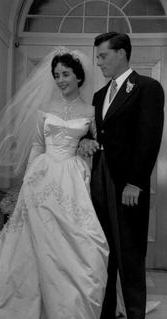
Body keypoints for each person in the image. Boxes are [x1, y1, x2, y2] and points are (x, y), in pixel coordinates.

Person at [0, 48, 109, 319]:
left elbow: (99, 144)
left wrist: (87, 142)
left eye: (66, 74)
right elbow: (38, 146)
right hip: (43, 176)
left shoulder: (92, 110)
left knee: (82, 241)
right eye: (56, 75)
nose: (60, 80)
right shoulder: (45, 110)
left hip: (73, 181)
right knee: (30, 241)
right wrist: (28, 181)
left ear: (79, 77)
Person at [80, 32, 164, 319]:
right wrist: (84, 141)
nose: (98, 62)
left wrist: (135, 183)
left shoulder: (147, 87)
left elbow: (148, 139)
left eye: (103, 56)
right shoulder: (99, 95)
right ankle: (105, 313)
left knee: (129, 252)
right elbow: (93, 133)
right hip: (99, 177)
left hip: (127, 182)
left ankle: (135, 313)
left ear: (122, 53)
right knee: (103, 251)